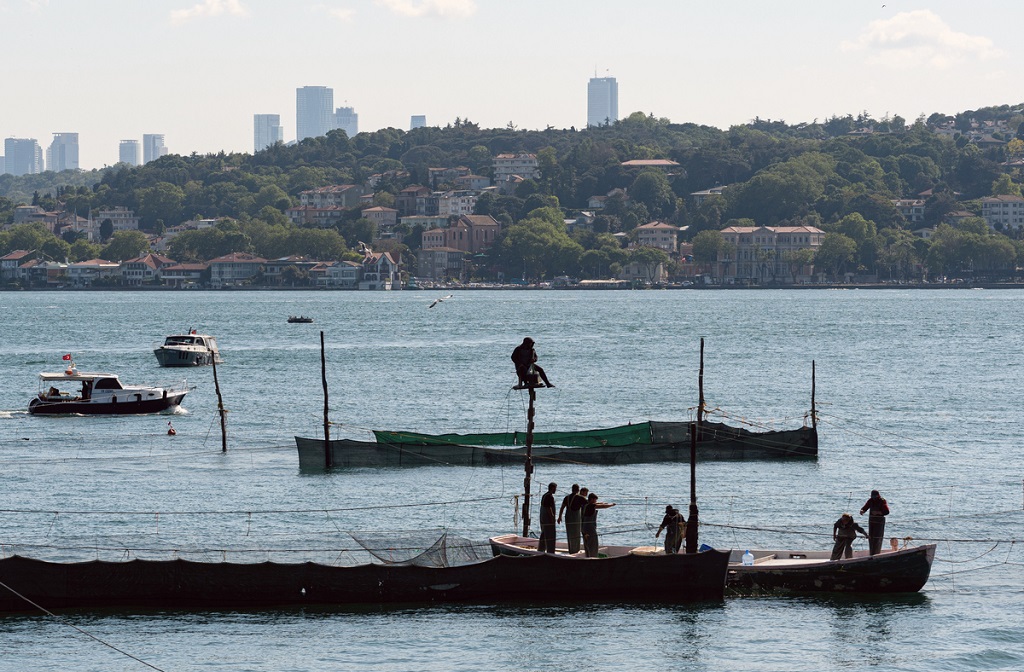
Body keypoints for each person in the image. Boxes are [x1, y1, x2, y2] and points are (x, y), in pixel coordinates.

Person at [581, 492, 616, 558]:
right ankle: (593, 557)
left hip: (584, 528)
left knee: (587, 544)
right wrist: (611, 505)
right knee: (593, 544)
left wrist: (603, 503)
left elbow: (598, 504)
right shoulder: (591, 506)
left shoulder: (585, 505)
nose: (596, 501)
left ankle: (588, 556)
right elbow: (603, 507)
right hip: (590, 528)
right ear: (591, 499)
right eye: (595, 500)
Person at [859, 489, 890, 556]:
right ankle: (872, 552)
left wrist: (878, 512)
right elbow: (865, 507)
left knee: (877, 537)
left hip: (879, 521)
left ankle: (876, 553)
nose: (874, 498)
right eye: (873, 496)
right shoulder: (870, 500)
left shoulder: (882, 501)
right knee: (871, 536)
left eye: (875, 497)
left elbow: (887, 511)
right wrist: (862, 511)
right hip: (872, 520)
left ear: (878, 495)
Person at [558, 484, 584, 554]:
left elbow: (562, 507)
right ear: (578, 490)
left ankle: (571, 550)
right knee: (576, 533)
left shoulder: (567, 497)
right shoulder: (579, 497)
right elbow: (589, 505)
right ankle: (576, 550)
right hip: (575, 517)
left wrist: (559, 517)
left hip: (568, 517)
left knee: (570, 533)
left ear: (572, 489)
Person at [538, 482, 557, 553]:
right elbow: (549, 508)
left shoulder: (544, 495)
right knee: (550, 535)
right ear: (552, 488)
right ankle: (550, 551)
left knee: (544, 533)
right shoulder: (549, 496)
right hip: (547, 519)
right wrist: (552, 517)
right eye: (555, 488)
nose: (556, 490)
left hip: (542, 517)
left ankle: (541, 549)